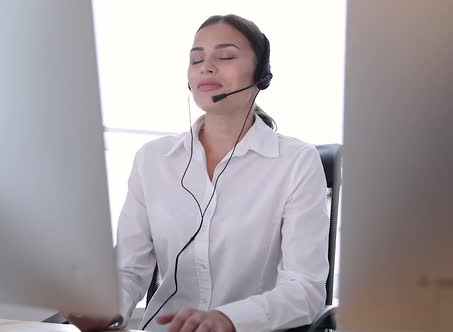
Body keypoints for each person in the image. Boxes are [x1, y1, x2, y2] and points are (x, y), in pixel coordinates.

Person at [66, 14, 329, 332]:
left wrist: (228, 319)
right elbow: (130, 269)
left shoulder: (296, 162)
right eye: (196, 59)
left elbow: (305, 290)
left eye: (226, 56)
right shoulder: (153, 160)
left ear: (261, 75)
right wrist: (103, 310)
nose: (206, 66)